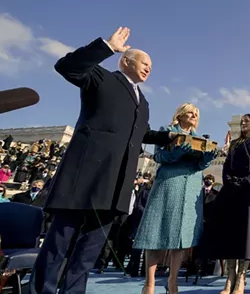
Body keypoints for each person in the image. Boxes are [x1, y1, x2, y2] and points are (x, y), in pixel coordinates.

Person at [30, 27, 174, 294]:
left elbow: (141, 135)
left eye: (152, 66)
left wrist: (170, 138)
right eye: (145, 63)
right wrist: (106, 46)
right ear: (126, 61)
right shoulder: (101, 78)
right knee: (58, 244)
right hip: (83, 177)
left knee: (88, 251)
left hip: (115, 183)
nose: (149, 69)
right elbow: (67, 66)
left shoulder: (143, 102)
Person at [134, 103, 217, 294]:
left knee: (181, 237)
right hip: (169, 184)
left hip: (190, 189)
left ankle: (173, 280)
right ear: (179, 115)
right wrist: (174, 153)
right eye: (190, 112)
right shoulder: (168, 131)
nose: (194, 116)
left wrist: (206, 160)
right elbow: (159, 157)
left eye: (197, 114)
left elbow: (199, 166)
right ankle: (150, 282)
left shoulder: (199, 139)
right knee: (155, 233)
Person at [212, 114, 250, 294]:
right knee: (231, 235)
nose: (243, 123)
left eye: (247, 121)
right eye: (242, 121)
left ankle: (241, 278)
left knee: (246, 236)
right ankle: (230, 277)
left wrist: (246, 182)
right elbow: (226, 166)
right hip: (231, 192)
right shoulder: (235, 144)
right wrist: (229, 181)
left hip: (249, 192)